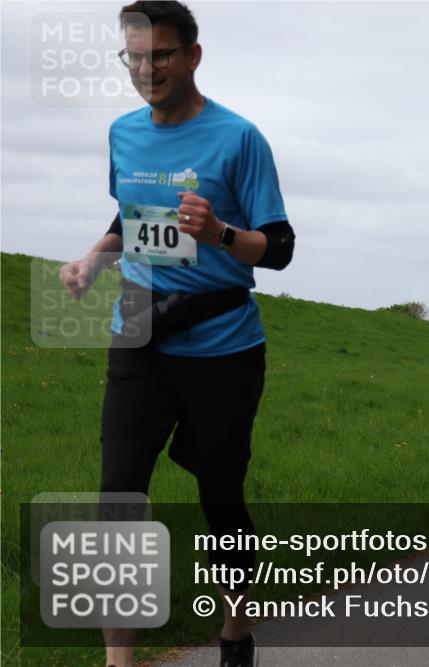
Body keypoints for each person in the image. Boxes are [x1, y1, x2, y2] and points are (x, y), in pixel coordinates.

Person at [58, 3, 295, 665]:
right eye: (134, 56)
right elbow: (129, 212)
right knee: (118, 495)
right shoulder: (123, 134)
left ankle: (236, 628)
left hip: (224, 347)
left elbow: (278, 248)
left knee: (220, 495)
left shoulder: (239, 138)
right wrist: (91, 260)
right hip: (137, 333)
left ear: (192, 56)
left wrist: (219, 232)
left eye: (160, 55)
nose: (146, 68)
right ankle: (119, 661)